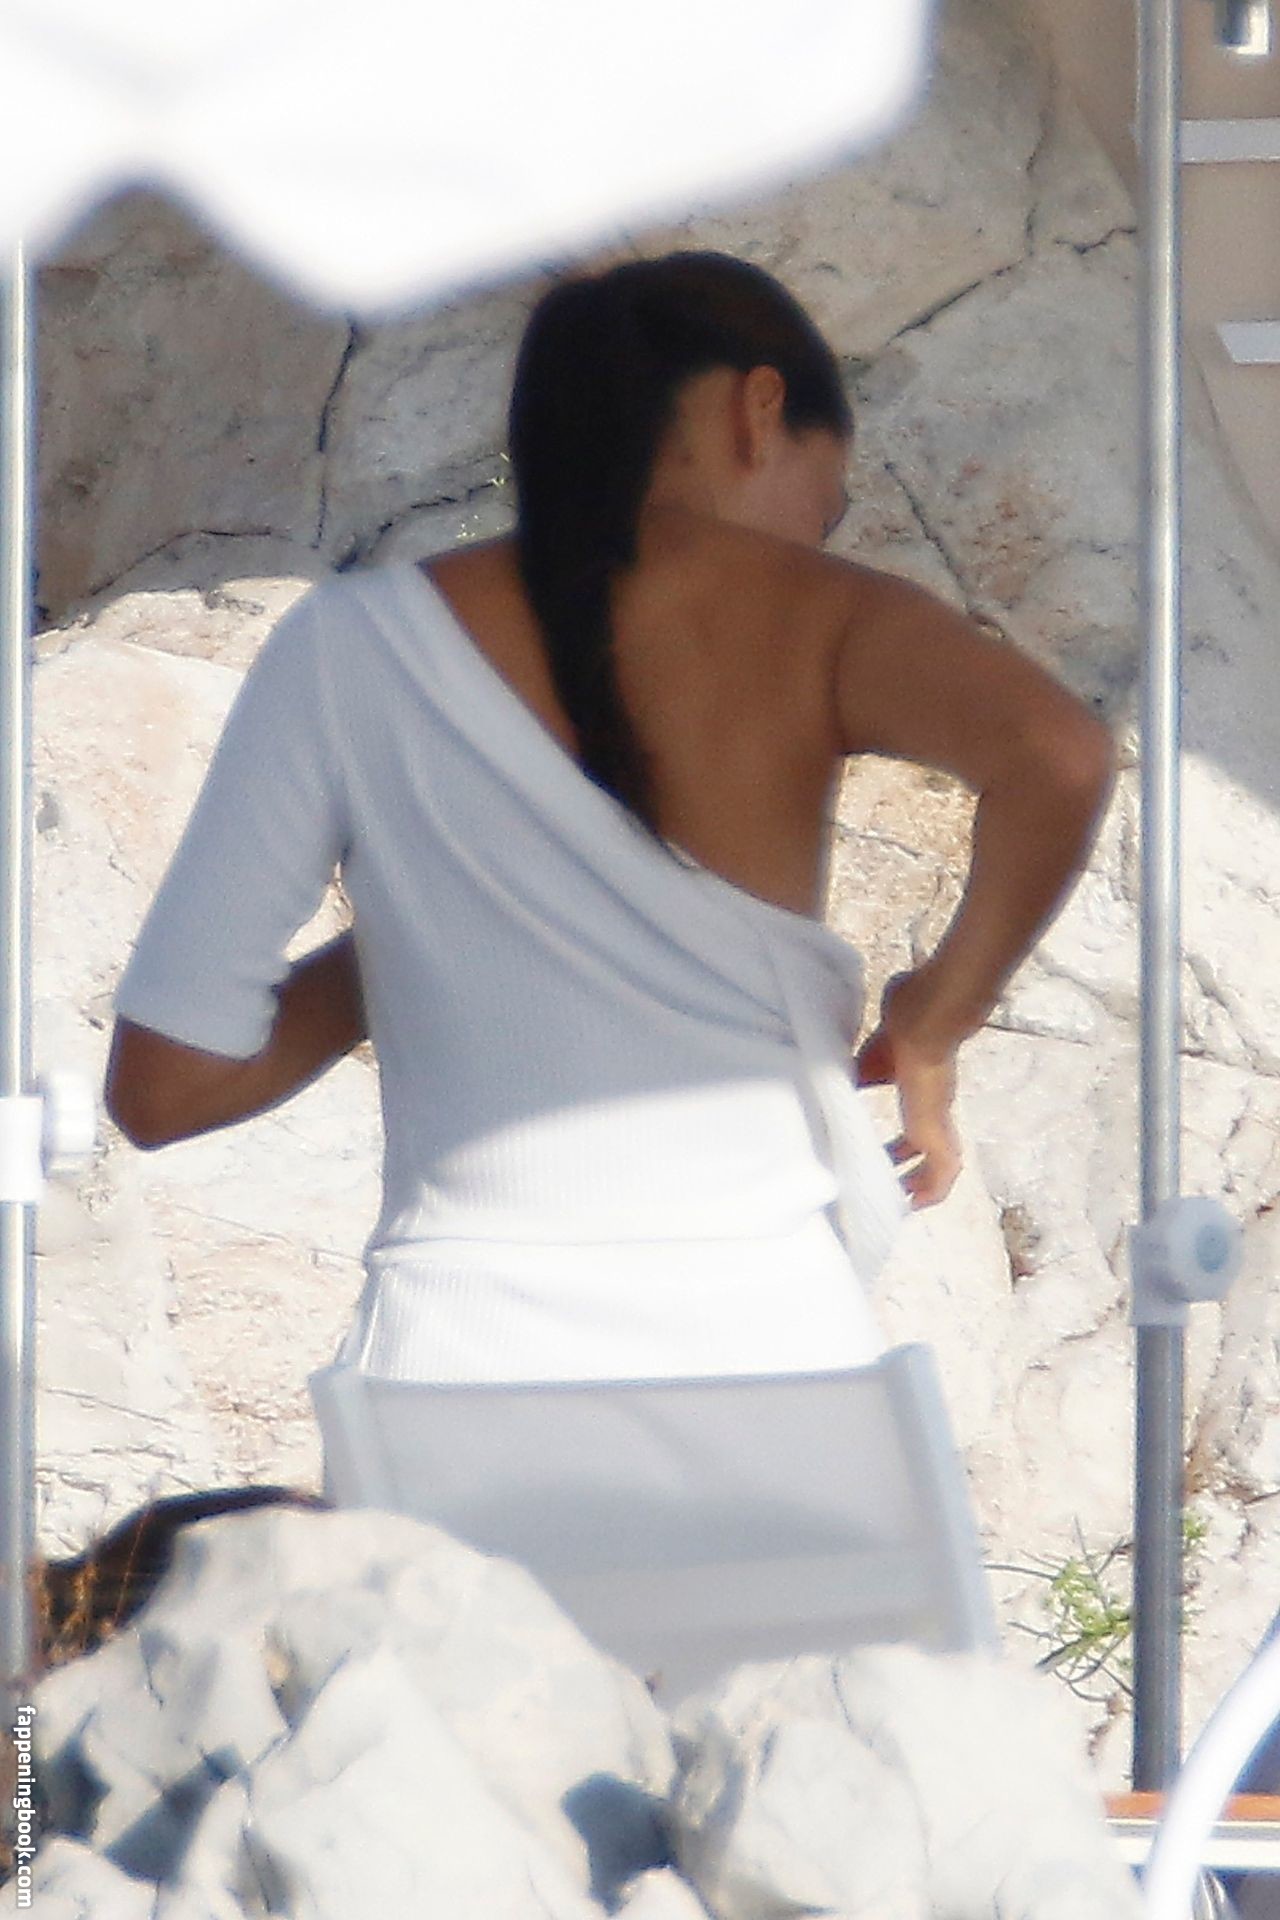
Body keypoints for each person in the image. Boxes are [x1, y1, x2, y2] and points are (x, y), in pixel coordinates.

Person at [104, 250, 1114, 1392]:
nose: (812, 544)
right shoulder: (821, 617)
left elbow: (166, 1087)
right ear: (758, 408)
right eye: (823, 506)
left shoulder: (347, 644)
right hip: (764, 1347)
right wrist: (935, 1017)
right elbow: (1060, 757)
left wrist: (423, 924)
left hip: (457, 1363)